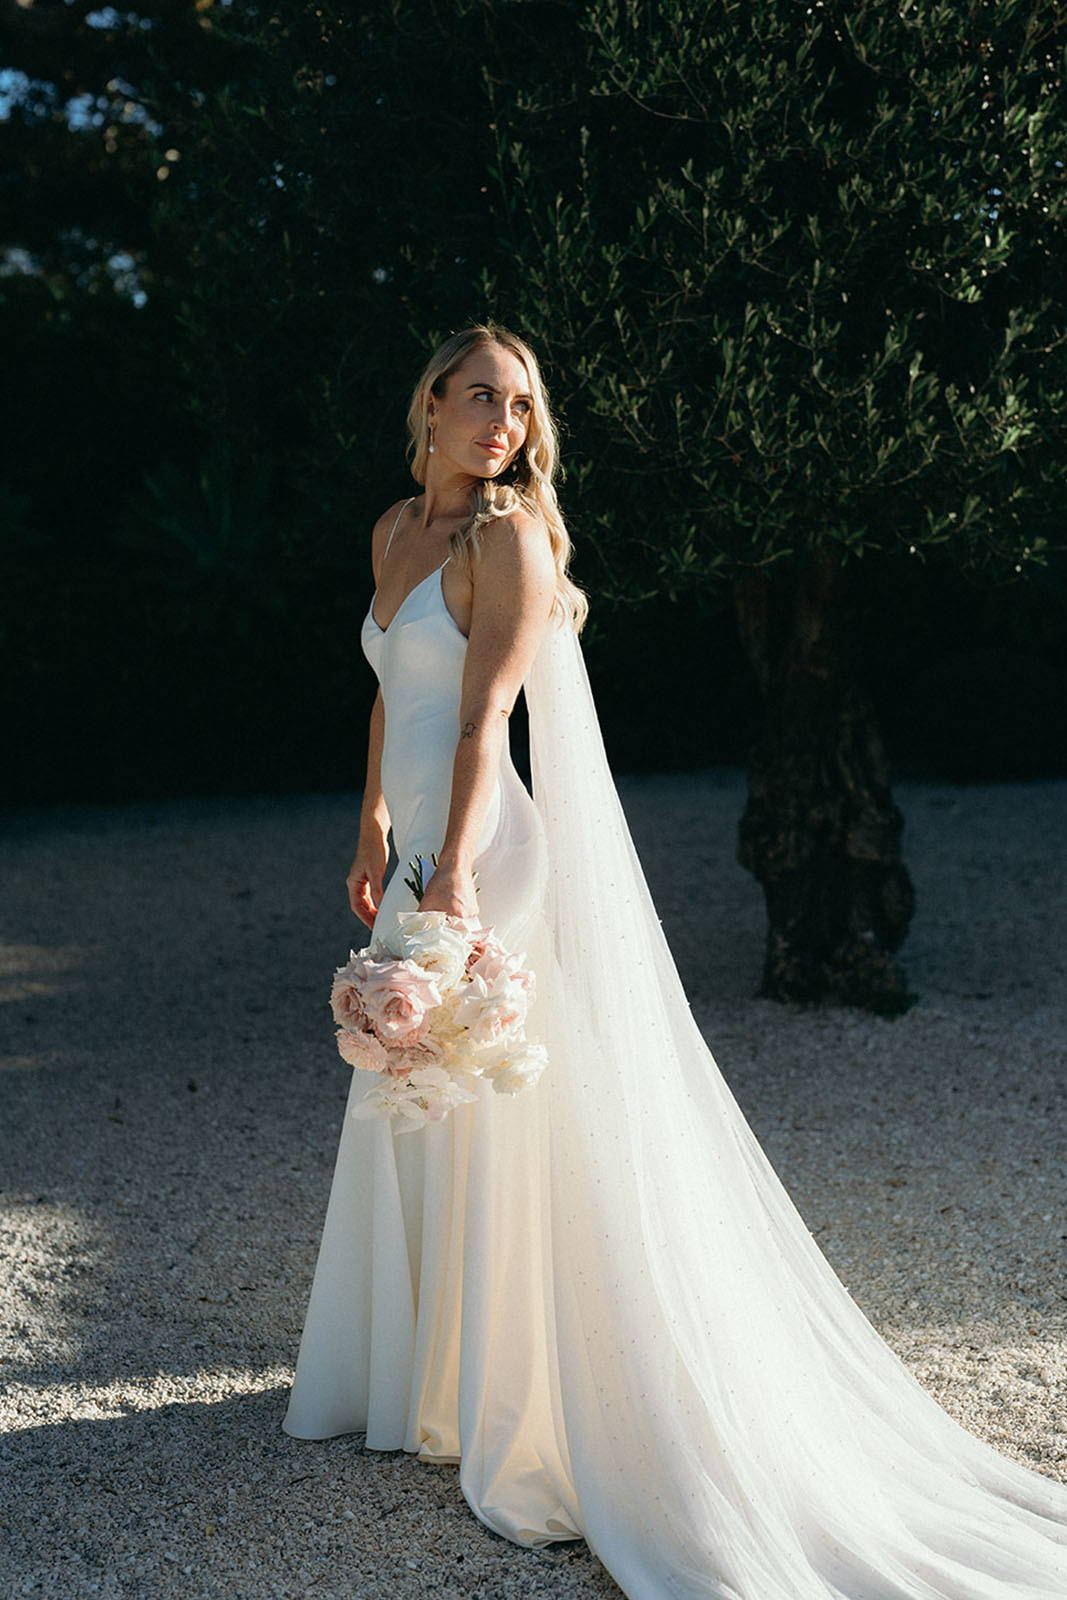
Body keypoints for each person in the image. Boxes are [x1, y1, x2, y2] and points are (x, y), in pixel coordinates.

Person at [282, 322, 1067, 1598]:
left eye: (521, 404)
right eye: (478, 394)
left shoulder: (506, 541)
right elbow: (391, 685)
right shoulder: (394, 532)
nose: (502, 420)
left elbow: (486, 710)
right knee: (418, 1107)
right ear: (425, 403)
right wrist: (371, 821)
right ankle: (425, 1376)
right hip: (420, 852)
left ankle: (543, 1394)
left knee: (509, 1117)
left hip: (488, 858)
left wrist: (461, 869)